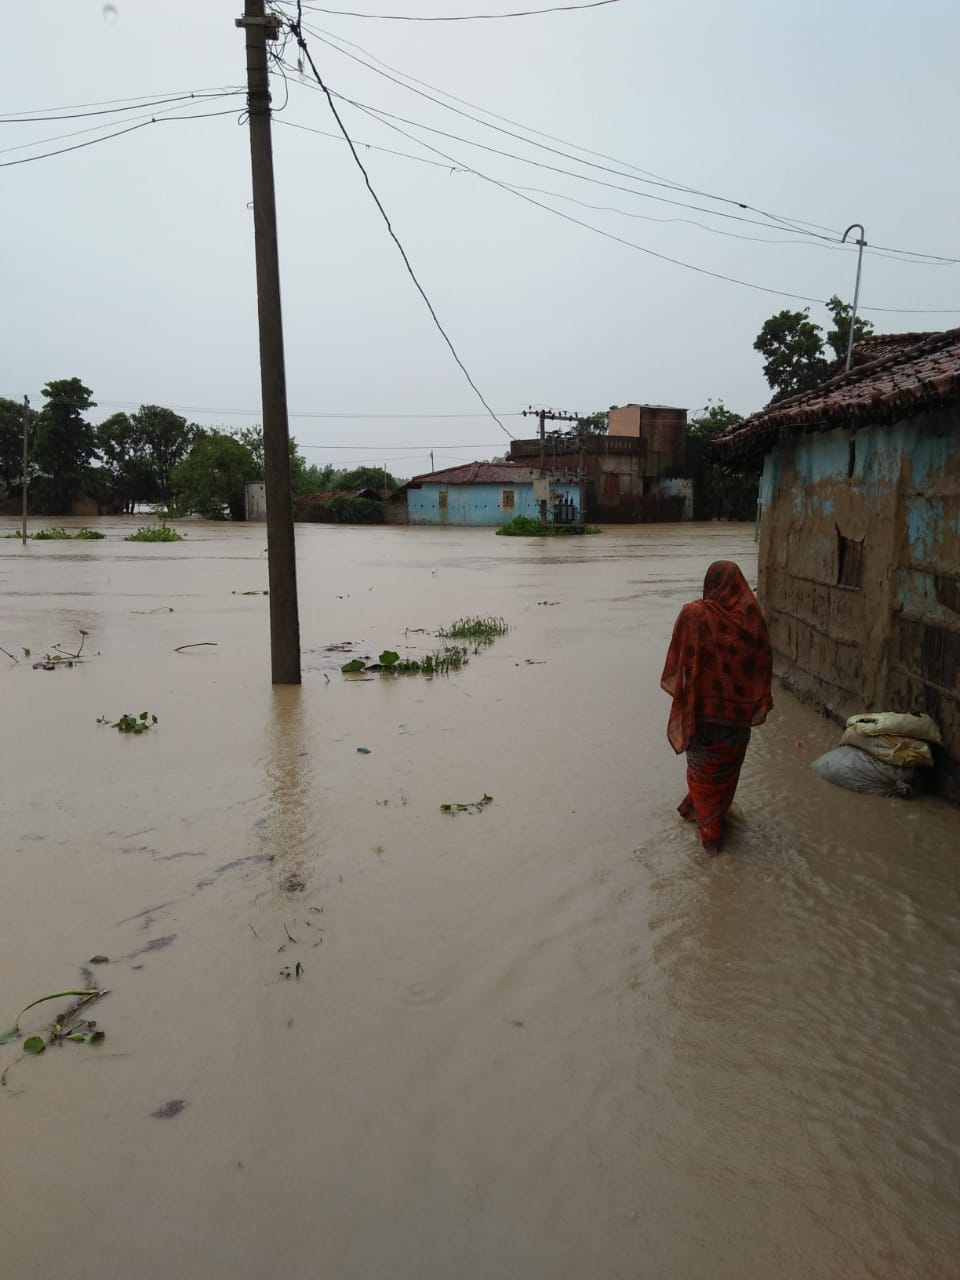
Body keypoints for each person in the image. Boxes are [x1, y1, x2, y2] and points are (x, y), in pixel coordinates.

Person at [660, 560, 773, 855]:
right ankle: (706, 816)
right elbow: (763, 666)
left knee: (703, 774)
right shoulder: (752, 618)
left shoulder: (694, 614)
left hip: (702, 721)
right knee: (722, 778)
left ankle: (712, 847)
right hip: (738, 722)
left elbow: (678, 663)